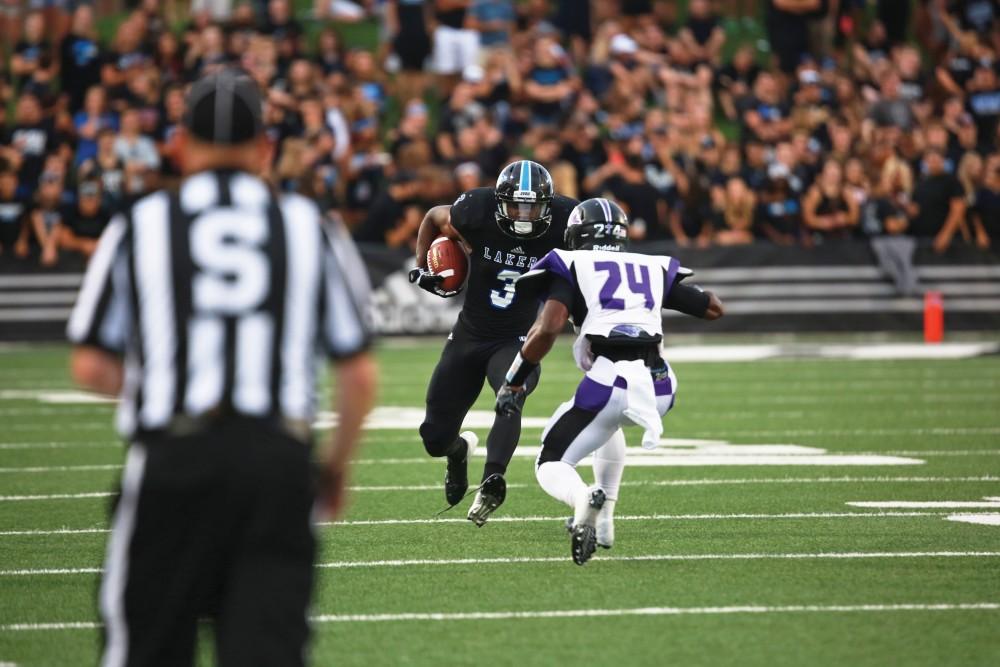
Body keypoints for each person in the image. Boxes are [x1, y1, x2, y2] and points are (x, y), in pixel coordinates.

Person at [66, 69, 376, 666]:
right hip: (277, 464)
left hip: (174, 457)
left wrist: (164, 385)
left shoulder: (142, 223)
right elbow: (357, 374)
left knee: (146, 649)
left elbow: (90, 364)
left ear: (179, 144)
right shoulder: (311, 227)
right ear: (265, 148)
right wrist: (334, 467)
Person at [494, 198, 723, 564]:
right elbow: (713, 308)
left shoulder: (572, 263)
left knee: (550, 461)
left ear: (576, 234)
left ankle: (583, 499)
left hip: (610, 379)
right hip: (661, 384)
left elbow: (548, 328)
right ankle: (605, 525)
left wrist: (514, 381)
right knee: (608, 425)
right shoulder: (650, 265)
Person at [408, 160, 578, 525]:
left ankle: (491, 480)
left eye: (533, 206)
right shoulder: (475, 210)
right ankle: (458, 451)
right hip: (469, 335)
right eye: (517, 204)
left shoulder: (566, 221)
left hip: (517, 338)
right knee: (434, 438)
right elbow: (435, 217)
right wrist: (422, 267)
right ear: (500, 201)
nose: (524, 214)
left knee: (510, 394)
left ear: (549, 205)